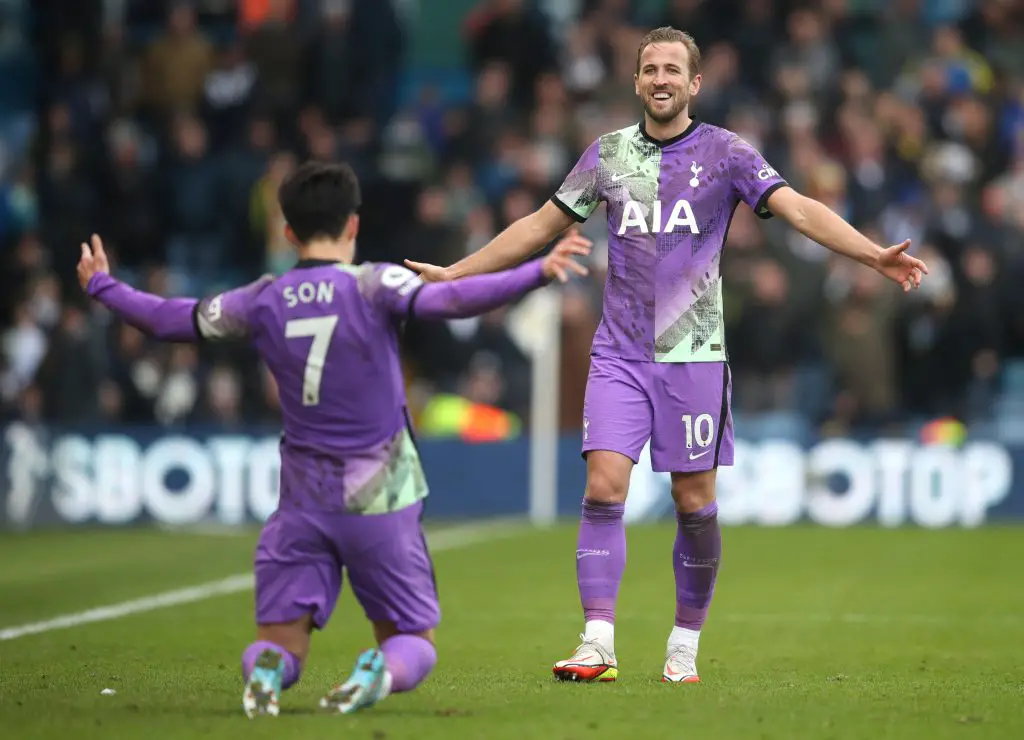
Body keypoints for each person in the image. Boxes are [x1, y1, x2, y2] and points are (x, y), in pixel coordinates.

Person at [404, 27, 927, 684]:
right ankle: (598, 640)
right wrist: (459, 273)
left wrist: (871, 254)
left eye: (672, 69)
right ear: (636, 81)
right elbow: (542, 224)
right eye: (650, 68)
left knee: (693, 502)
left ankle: (685, 641)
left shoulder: (728, 153)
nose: (660, 78)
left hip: (694, 358)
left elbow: (797, 209)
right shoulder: (607, 155)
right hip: (619, 355)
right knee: (603, 485)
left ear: (694, 83)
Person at [76, 161, 589, 716]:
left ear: (289, 232)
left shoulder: (264, 297)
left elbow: (170, 319)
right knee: (411, 643)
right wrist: (535, 272)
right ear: (352, 225)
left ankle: (268, 672)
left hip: (302, 499)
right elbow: (451, 300)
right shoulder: (375, 283)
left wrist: (103, 285)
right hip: (379, 497)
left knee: (279, 641)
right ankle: (377, 671)